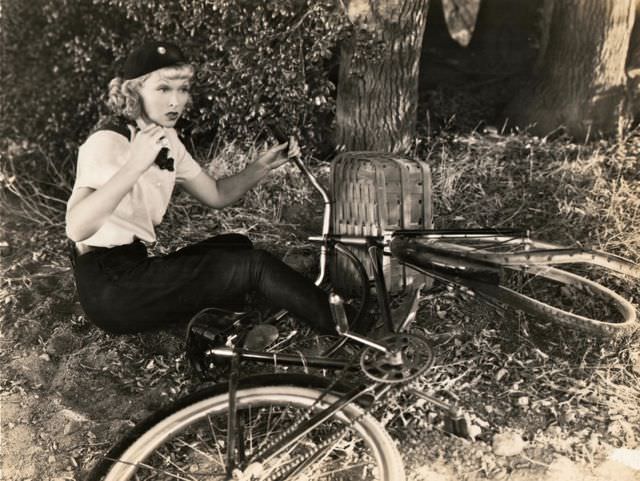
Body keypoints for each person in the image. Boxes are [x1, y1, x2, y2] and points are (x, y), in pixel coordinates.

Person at [65, 41, 336, 336]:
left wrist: (263, 166)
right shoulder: (109, 140)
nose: (176, 101)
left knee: (236, 245)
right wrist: (134, 166)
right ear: (134, 91)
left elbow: (217, 195)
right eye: (163, 89)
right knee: (253, 265)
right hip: (111, 289)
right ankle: (343, 326)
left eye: (182, 89)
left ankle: (225, 325)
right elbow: (77, 228)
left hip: (134, 265)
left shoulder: (165, 137)